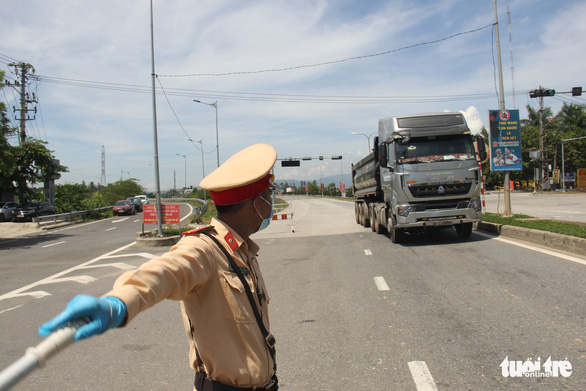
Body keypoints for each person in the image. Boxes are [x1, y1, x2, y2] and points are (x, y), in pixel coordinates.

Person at [39, 143, 279, 391]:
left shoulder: (242, 251)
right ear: (258, 203)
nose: (272, 201)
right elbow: (165, 272)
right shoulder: (204, 249)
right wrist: (118, 303)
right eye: (270, 194)